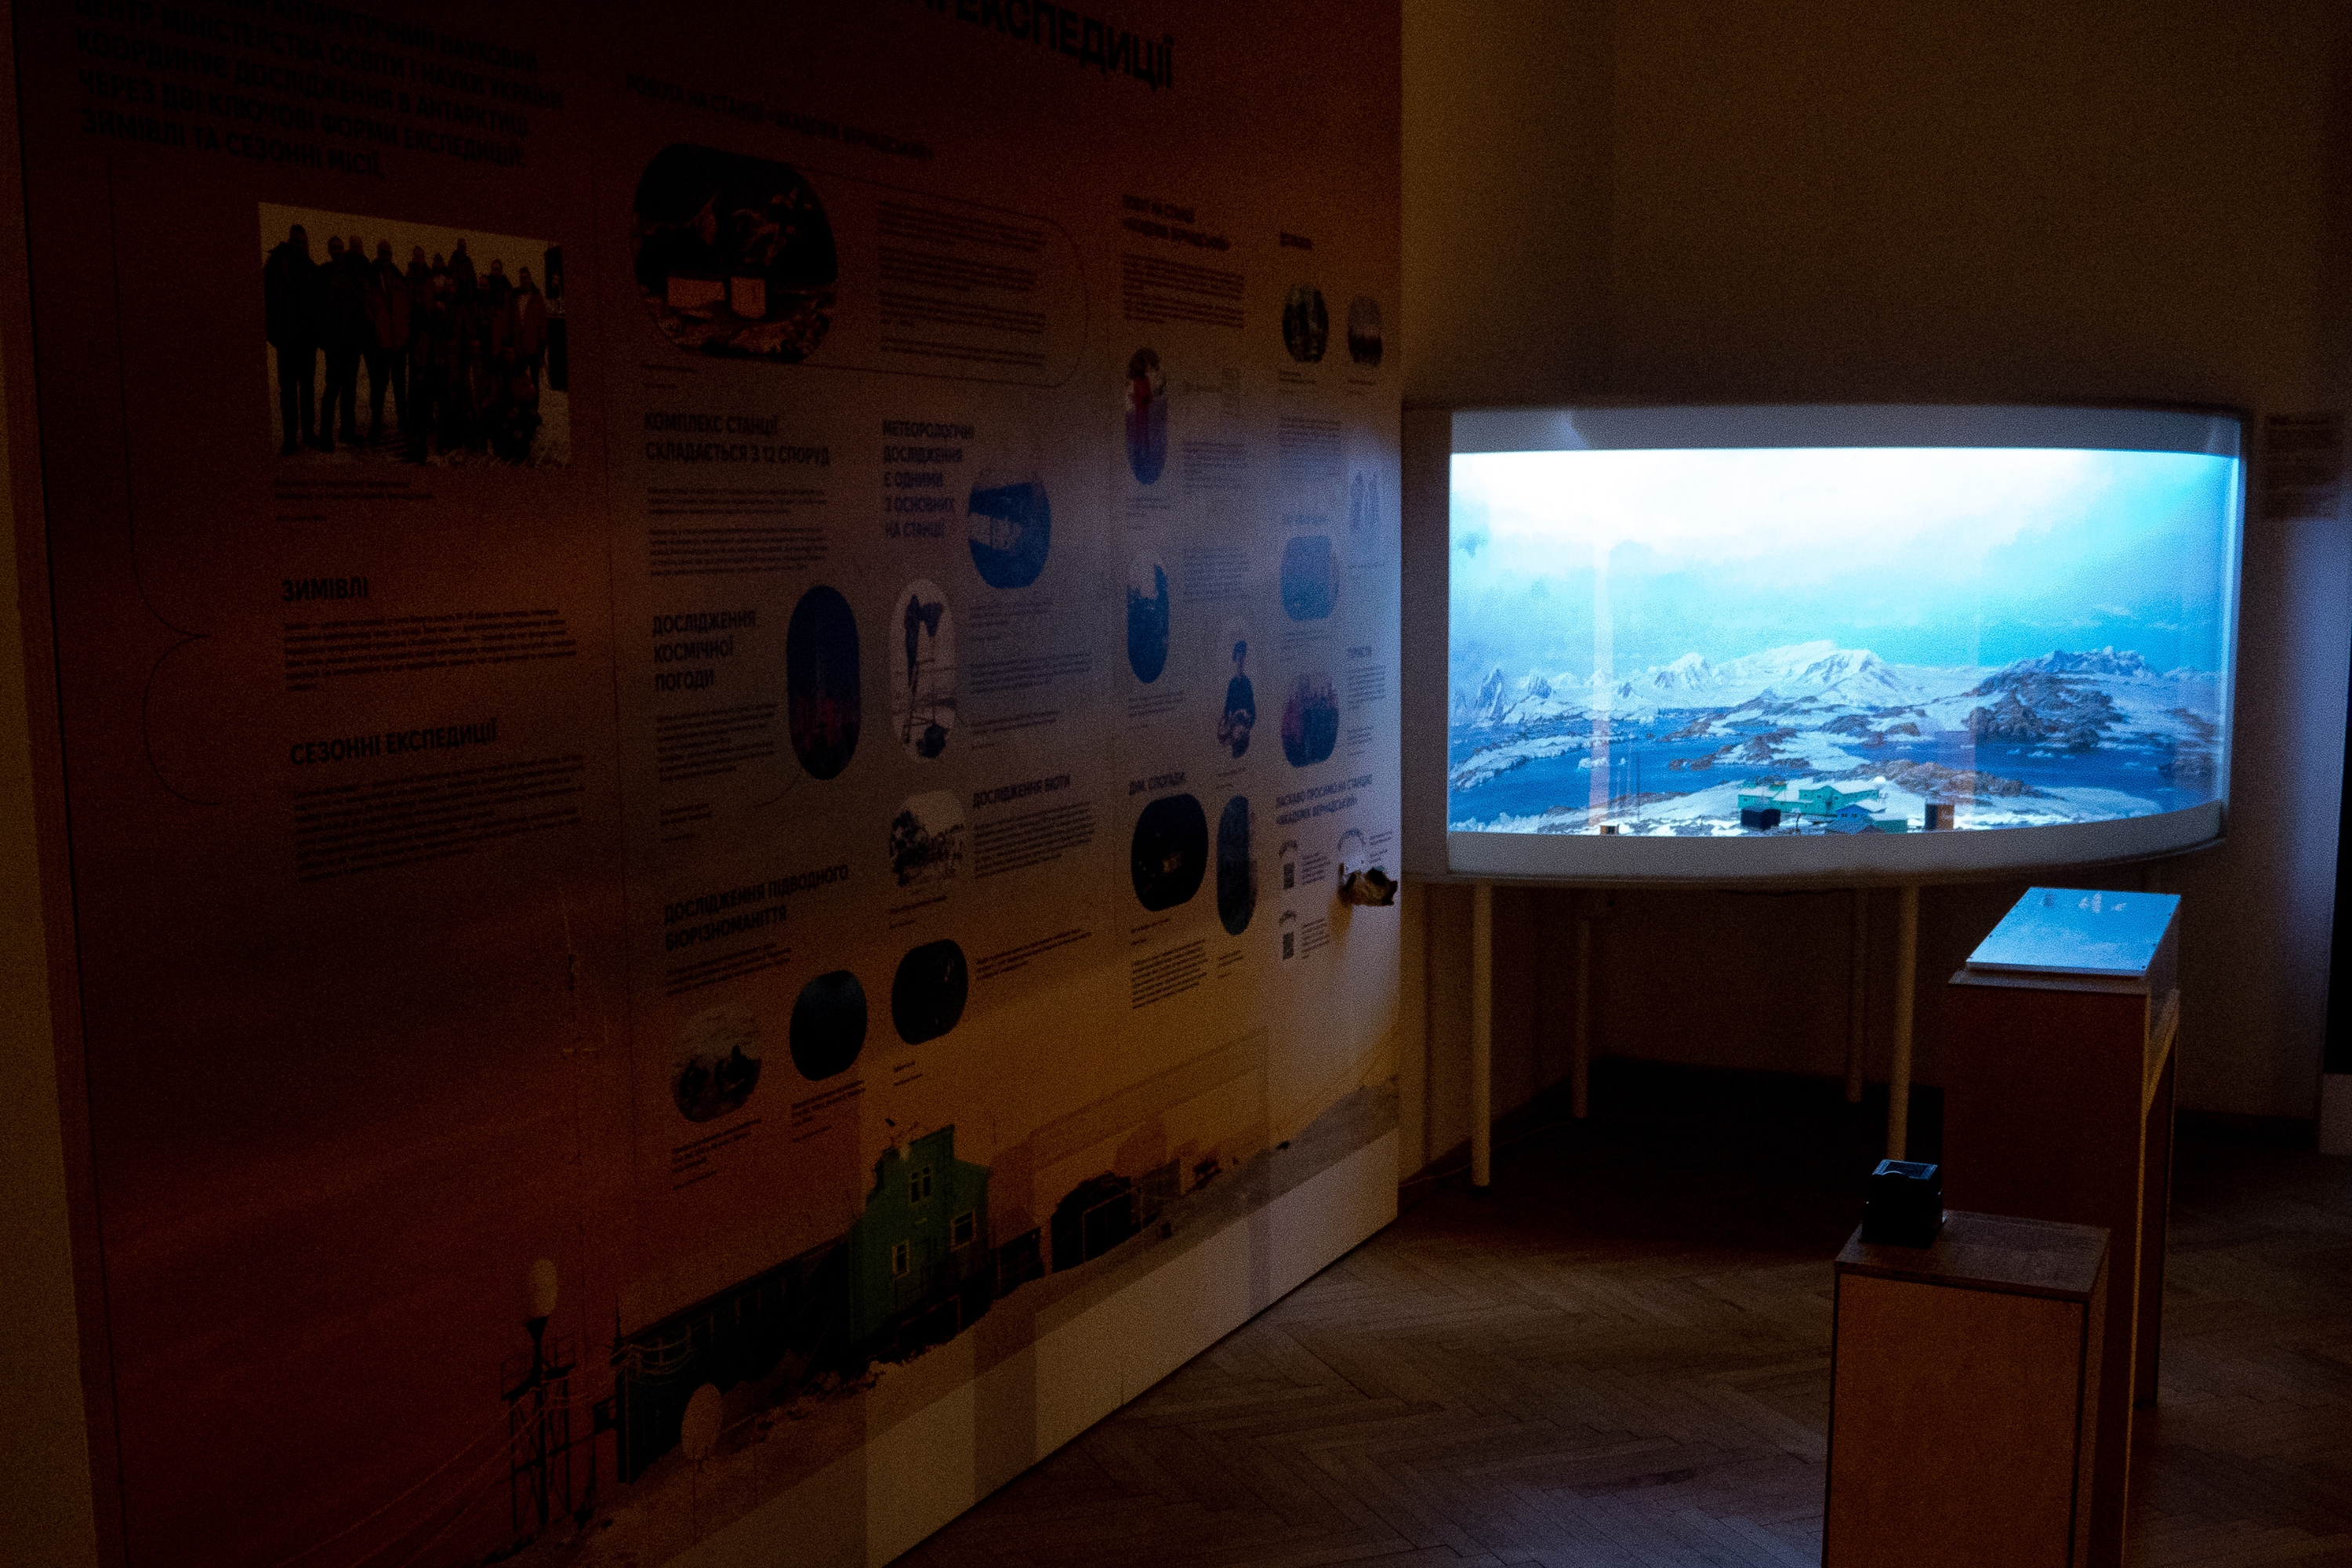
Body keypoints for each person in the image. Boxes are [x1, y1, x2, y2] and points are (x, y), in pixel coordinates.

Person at [262, 223, 319, 455]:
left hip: (307, 339)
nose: (300, 245)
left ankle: (308, 433)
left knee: (307, 388)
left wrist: (317, 332)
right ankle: (289, 438)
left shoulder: (311, 268)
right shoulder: (277, 264)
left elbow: (318, 304)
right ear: (289, 240)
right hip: (287, 338)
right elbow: (266, 298)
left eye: (303, 242)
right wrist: (273, 331)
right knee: (287, 390)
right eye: (296, 241)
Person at [316, 235, 370, 448]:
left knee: (349, 388)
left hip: (352, 340)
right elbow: (320, 308)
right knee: (332, 388)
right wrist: (325, 336)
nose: (338, 250)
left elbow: (359, 300)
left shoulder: (351, 271)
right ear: (330, 250)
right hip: (335, 342)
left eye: (340, 247)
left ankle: (347, 430)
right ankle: (325, 435)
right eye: (335, 247)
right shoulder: (324, 273)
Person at [364, 241, 410, 445]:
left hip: (398, 341)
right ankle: (376, 423)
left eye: (388, 253)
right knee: (379, 385)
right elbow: (367, 307)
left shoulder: (398, 277)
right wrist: (374, 332)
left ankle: (403, 420)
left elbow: (405, 306)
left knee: (400, 384)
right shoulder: (371, 278)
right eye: (382, 252)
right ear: (378, 253)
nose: (385, 256)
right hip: (381, 342)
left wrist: (404, 334)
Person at [507, 267, 548, 380]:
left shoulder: (537, 299)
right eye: (521, 278)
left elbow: (543, 324)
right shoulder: (516, 298)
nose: (523, 280)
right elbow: (513, 322)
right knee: (519, 381)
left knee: (534, 382)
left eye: (525, 277)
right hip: (519, 348)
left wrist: (541, 350)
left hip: (533, 348)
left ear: (530, 278)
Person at [1218, 640, 1257, 758]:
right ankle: (1240, 653)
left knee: (1237, 680)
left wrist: (1228, 716)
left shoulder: (1225, 733)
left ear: (1234, 738)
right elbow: (1251, 705)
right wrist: (1245, 713)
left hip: (1234, 700)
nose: (1241, 732)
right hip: (1243, 698)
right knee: (1241, 680)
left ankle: (1239, 654)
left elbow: (1226, 711)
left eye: (1238, 736)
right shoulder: (1249, 722)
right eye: (1244, 735)